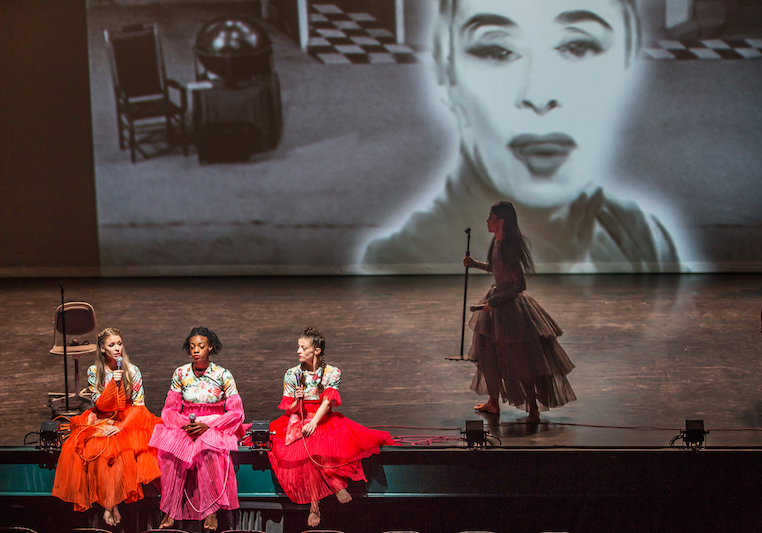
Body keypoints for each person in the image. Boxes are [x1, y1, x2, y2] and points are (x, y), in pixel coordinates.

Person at [363, 0, 684, 273]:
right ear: (446, 71)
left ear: (628, 61)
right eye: (497, 50)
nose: (539, 95)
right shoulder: (397, 261)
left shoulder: (643, 239)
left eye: (579, 46)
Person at [268, 326, 394, 528]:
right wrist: (296, 400)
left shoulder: (331, 372)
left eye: (303, 347)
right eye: (298, 347)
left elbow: (327, 402)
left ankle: (322, 498)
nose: (298, 351)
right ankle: (320, 501)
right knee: (300, 447)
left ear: (316, 350)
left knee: (318, 442)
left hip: (321, 417)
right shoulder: (292, 374)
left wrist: (314, 422)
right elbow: (288, 409)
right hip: (298, 417)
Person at [463, 202, 577, 422]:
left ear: (501, 221)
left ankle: (532, 406)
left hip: (508, 309)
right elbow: (496, 268)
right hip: (495, 304)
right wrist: (474, 263)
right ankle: (493, 403)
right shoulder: (496, 242)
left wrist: (495, 302)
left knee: (517, 360)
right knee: (488, 356)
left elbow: (519, 285)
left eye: (491, 217)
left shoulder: (509, 247)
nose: (487, 220)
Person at [52, 327, 160, 526]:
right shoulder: (94, 372)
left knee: (120, 446)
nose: (117, 348)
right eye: (112, 345)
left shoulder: (133, 370)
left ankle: (112, 503)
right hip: (103, 414)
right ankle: (110, 505)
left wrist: (121, 426)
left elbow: (139, 404)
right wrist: (112, 385)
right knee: (98, 445)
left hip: (130, 416)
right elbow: (99, 404)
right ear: (102, 349)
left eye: (119, 344)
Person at [148, 327, 246, 532]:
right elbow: (169, 409)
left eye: (201, 346)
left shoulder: (222, 374)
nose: (196, 350)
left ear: (210, 347)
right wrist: (184, 424)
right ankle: (170, 509)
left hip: (215, 423)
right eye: (192, 346)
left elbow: (236, 412)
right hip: (187, 423)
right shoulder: (181, 373)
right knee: (171, 453)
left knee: (208, 450)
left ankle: (211, 510)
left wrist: (208, 425)